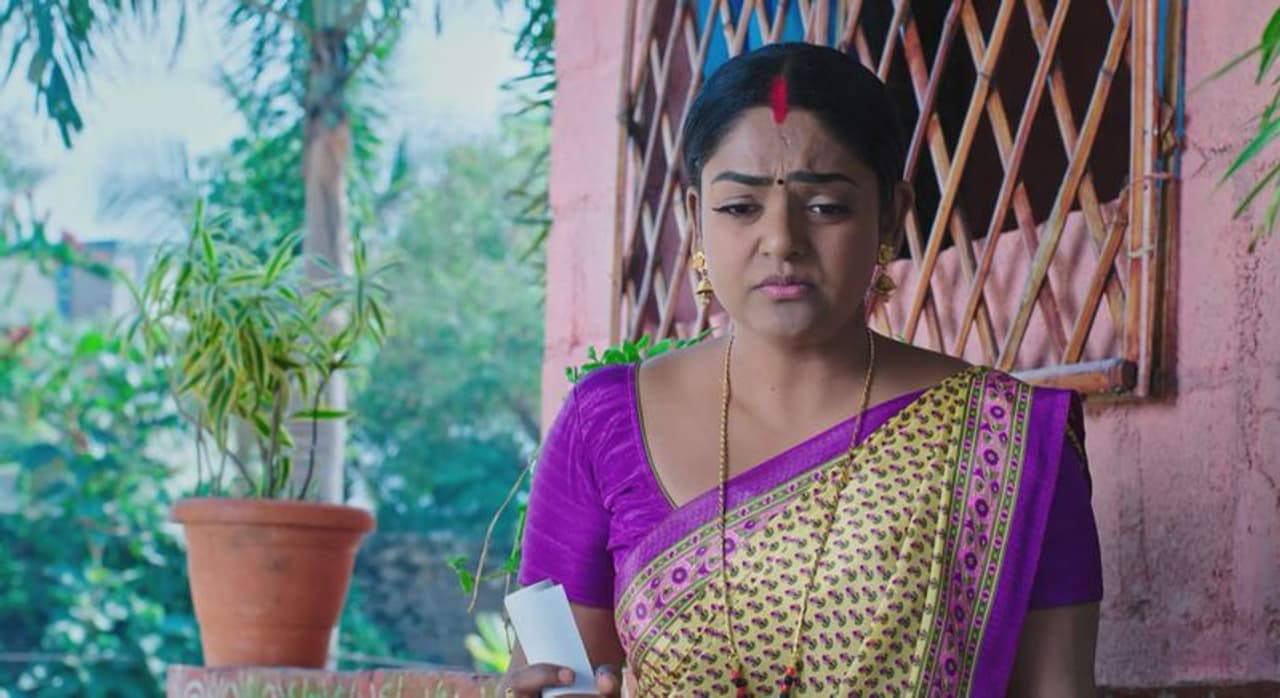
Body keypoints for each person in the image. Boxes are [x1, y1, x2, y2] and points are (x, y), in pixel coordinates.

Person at [503, 42, 1102, 697]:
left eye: (825, 207)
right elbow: (560, 678)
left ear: (892, 215)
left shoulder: (1010, 442)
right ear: (695, 218)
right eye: (740, 207)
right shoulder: (606, 426)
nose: (782, 240)